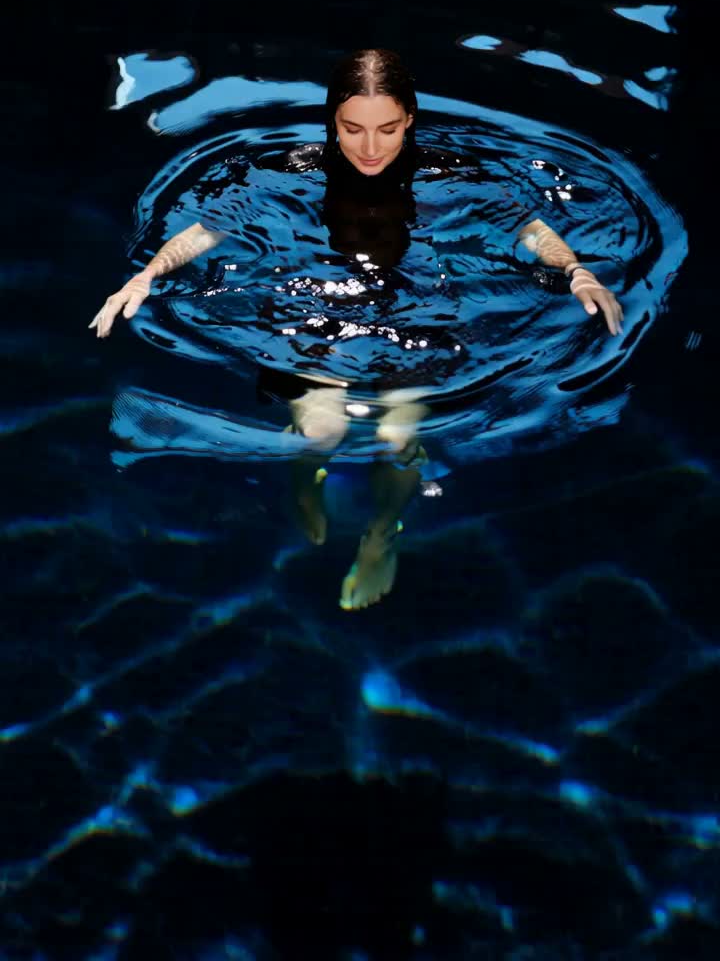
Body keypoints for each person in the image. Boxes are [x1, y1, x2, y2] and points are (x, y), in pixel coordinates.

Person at [90, 48, 623, 610]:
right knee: (322, 431)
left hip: (417, 315)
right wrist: (145, 276)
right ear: (332, 121)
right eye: (353, 129)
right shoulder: (290, 169)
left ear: (410, 120)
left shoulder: (448, 173)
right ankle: (305, 475)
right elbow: (206, 229)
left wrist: (577, 271)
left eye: (387, 129)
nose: (370, 147)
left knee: (397, 440)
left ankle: (380, 534)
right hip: (313, 307)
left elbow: (531, 228)